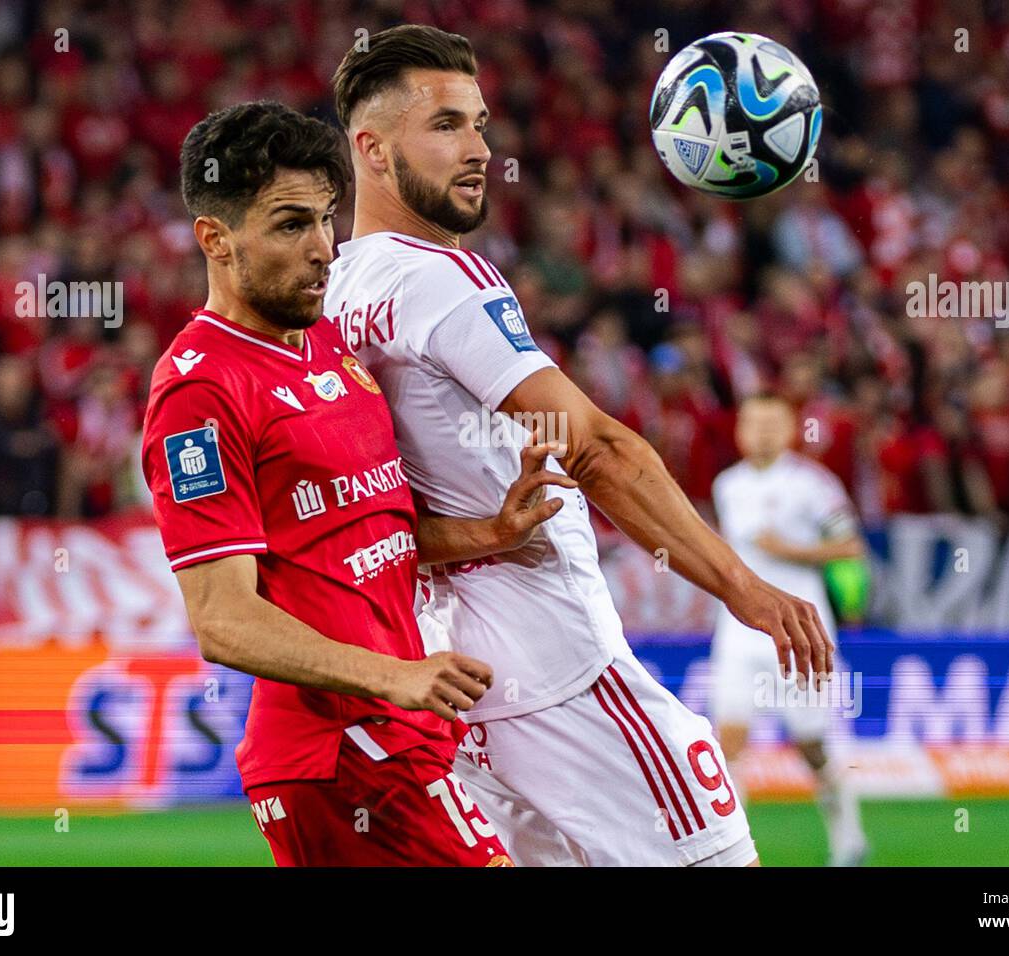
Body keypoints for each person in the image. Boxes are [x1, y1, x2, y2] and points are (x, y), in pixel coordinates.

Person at [326, 25, 833, 866]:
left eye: (481, 124)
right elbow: (595, 449)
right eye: (446, 126)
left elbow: (368, 515)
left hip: (460, 685)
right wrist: (742, 587)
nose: (479, 149)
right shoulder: (440, 279)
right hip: (560, 666)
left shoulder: (337, 291)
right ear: (372, 150)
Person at [142, 101, 567, 866]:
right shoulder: (198, 392)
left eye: (328, 219)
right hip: (337, 752)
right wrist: (395, 676)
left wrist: (489, 534)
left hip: (398, 733)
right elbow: (222, 619)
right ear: (215, 239)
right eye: (291, 225)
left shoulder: (328, 345)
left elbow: (359, 537)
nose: (325, 250)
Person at [709, 393, 869, 866]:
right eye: (752, 423)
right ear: (739, 429)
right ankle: (728, 853)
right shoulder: (727, 485)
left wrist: (788, 550)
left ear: (789, 430)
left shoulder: (815, 484)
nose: (760, 433)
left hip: (801, 631)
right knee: (728, 742)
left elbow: (851, 547)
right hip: (739, 631)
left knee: (810, 744)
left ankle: (848, 837)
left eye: (771, 424)